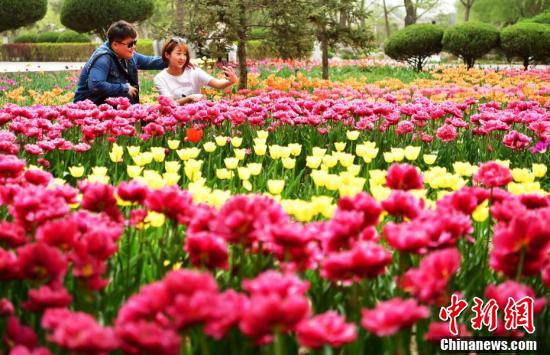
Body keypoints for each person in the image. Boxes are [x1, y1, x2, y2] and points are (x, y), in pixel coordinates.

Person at [74, 20, 166, 105]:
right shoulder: (103, 59)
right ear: (115, 44)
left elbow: (151, 61)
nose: (133, 47)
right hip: (87, 108)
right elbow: (96, 85)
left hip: (108, 106)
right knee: (124, 97)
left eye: (135, 42)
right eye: (130, 44)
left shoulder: (129, 55)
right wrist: (124, 87)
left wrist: (172, 59)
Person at [154, 37, 238, 105]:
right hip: (174, 122)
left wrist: (231, 81)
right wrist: (189, 98)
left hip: (197, 119)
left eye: (185, 54)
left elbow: (218, 84)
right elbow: (170, 104)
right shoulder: (161, 78)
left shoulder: (193, 71)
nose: (182, 58)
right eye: (178, 54)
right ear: (167, 55)